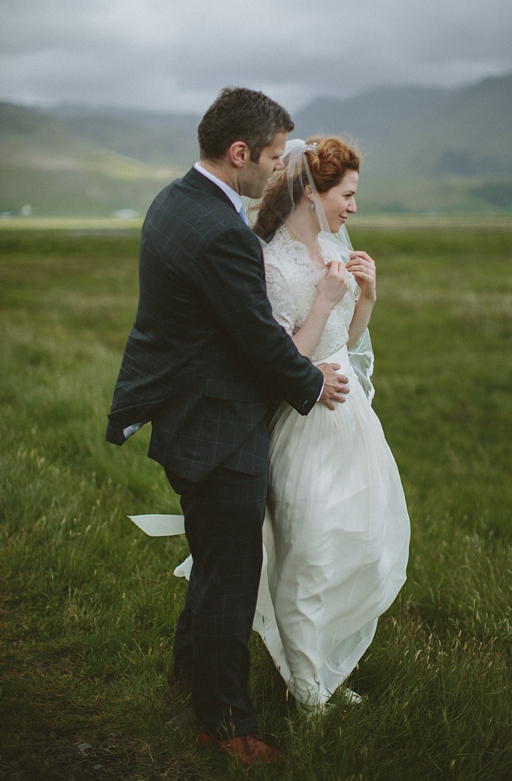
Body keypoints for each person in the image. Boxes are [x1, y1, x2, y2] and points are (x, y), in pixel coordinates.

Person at [105, 89, 349, 766]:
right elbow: (259, 346)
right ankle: (224, 721)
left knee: (215, 565)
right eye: (273, 158)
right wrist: (313, 382)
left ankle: (193, 674)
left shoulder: (175, 200)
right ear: (239, 153)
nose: (280, 171)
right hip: (218, 428)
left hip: (188, 413)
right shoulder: (221, 233)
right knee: (230, 578)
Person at [249, 136, 410, 709]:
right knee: (310, 552)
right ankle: (305, 689)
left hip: (350, 421)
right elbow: (276, 360)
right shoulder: (268, 263)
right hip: (303, 419)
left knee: (354, 546)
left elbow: (346, 341)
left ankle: (328, 668)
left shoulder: (332, 247)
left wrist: (365, 297)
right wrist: (321, 302)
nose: (353, 208)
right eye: (347, 194)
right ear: (311, 193)